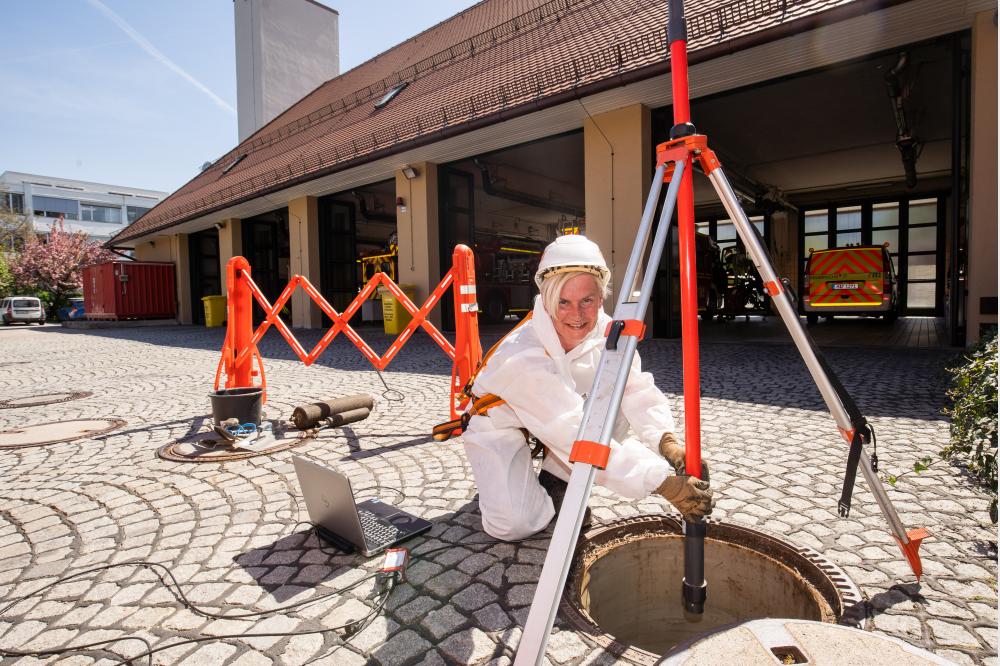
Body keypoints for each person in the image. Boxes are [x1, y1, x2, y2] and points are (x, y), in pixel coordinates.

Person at [462, 234, 714, 541]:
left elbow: (635, 389)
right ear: (547, 298)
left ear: (601, 297)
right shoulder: (522, 356)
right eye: (563, 302)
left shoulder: (609, 333)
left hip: (560, 422)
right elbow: (572, 429)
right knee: (515, 525)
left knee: (612, 397)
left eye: (587, 301)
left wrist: (666, 441)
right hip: (501, 425)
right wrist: (659, 481)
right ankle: (513, 485)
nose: (577, 315)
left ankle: (559, 483)